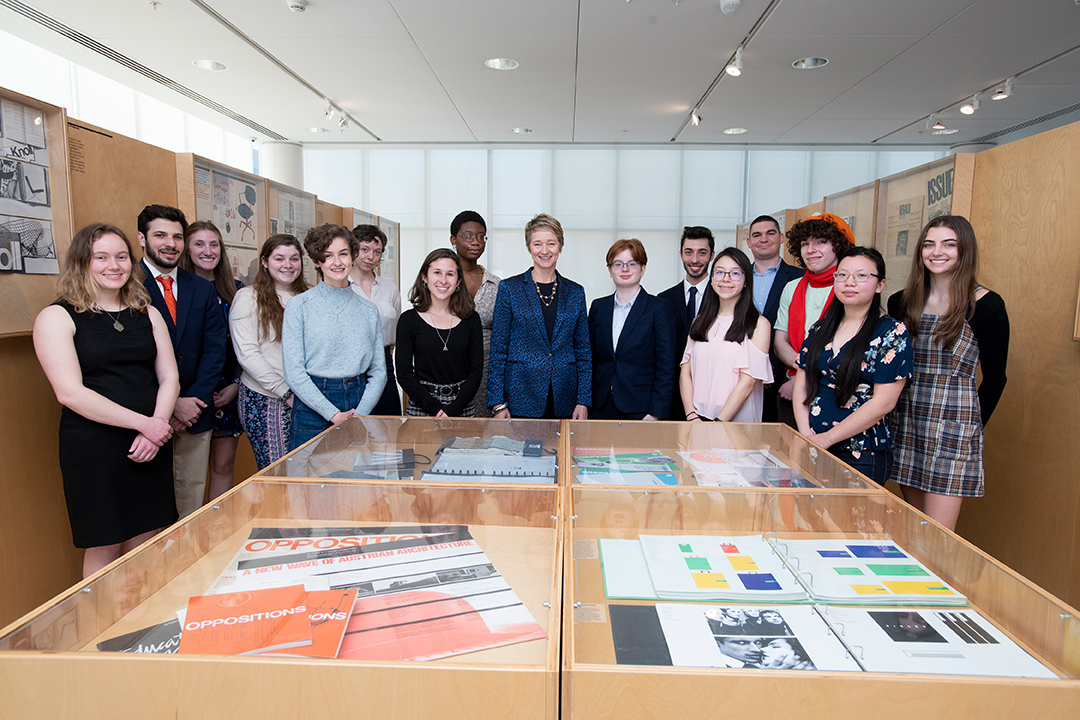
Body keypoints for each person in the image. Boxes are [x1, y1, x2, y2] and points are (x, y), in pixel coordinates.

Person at [33, 223, 179, 577]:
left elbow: (169, 378)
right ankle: (103, 630)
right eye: (101, 257)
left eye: (121, 256)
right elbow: (70, 393)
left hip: (149, 445)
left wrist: (154, 431)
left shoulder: (147, 313)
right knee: (105, 541)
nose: (114, 265)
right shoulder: (57, 316)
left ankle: (144, 626)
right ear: (83, 262)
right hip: (95, 447)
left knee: (149, 536)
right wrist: (145, 425)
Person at [887, 215, 1009, 531]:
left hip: (953, 431)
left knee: (938, 536)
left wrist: (971, 430)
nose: (937, 252)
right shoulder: (901, 301)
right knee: (915, 528)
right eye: (929, 244)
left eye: (948, 244)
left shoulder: (987, 305)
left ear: (964, 250)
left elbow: (996, 378)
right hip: (907, 422)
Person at [793, 246, 912, 485]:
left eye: (861, 276)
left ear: (880, 285)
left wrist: (828, 438)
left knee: (849, 523)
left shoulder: (892, 332)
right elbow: (802, 385)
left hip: (861, 452)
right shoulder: (821, 327)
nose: (850, 282)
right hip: (813, 445)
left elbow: (884, 402)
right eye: (842, 275)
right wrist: (807, 435)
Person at [137, 204, 227, 518]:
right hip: (143, 418)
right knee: (146, 509)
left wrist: (192, 401)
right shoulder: (126, 285)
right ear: (142, 239)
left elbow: (215, 352)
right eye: (160, 235)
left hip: (194, 414)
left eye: (177, 236)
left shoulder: (201, 289)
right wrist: (170, 403)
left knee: (190, 505)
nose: (170, 243)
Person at [283, 224, 386, 449]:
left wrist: (359, 414)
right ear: (318, 261)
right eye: (328, 256)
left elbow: (379, 371)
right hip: (313, 402)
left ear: (353, 256)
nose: (337, 262)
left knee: (357, 477)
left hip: (359, 400)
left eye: (343, 254)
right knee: (305, 478)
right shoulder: (299, 306)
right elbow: (293, 372)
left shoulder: (368, 310)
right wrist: (333, 414)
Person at [487, 213, 590, 419]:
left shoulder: (575, 292)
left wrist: (583, 400)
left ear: (560, 246)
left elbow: (583, 351)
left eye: (551, 243)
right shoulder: (509, 289)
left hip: (565, 398)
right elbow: (498, 350)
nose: (545, 251)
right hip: (519, 396)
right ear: (529, 247)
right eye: (537, 244)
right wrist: (497, 403)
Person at [230, 234, 310, 469]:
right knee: (278, 472)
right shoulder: (248, 297)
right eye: (279, 258)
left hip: (307, 397)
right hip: (267, 398)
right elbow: (248, 354)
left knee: (307, 471)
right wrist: (285, 393)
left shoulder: (311, 296)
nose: (288, 265)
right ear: (265, 262)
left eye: (294, 258)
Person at [179, 221, 242, 500]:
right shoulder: (176, 291)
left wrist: (237, 385)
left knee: (222, 465)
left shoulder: (238, 291)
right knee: (186, 474)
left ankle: (218, 528)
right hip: (189, 395)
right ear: (187, 249)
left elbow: (247, 346)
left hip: (228, 390)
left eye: (214, 244)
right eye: (199, 244)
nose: (208, 251)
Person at [773, 213, 854, 426]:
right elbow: (780, 340)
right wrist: (800, 374)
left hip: (837, 391)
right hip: (791, 386)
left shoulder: (850, 288)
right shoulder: (792, 288)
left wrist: (804, 379)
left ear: (838, 245)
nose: (811, 250)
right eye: (805, 243)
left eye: (821, 242)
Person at [681, 248, 773, 422]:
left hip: (735, 423)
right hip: (697, 419)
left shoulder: (758, 325)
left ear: (746, 280)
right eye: (719, 272)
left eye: (735, 273)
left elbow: (748, 383)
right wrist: (692, 416)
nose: (726, 279)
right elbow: (686, 372)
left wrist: (718, 423)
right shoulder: (699, 321)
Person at [588, 238, 676, 420]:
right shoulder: (599, 307)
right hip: (600, 405)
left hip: (641, 408)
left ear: (642, 269)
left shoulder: (659, 308)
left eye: (632, 263)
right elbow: (591, 360)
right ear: (610, 270)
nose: (625, 269)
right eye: (618, 264)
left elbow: (666, 366)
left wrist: (656, 412)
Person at [396, 249, 484, 416]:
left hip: (462, 404)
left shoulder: (471, 319)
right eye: (437, 272)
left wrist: (454, 408)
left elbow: (476, 371)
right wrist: (435, 408)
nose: (443, 281)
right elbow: (404, 373)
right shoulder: (408, 320)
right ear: (424, 277)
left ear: (458, 281)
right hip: (422, 403)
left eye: (450, 274)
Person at [747, 215, 803, 422]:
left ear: (781, 238)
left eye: (770, 233)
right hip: (742, 375)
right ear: (749, 242)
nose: (763, 239)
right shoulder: (736, 277)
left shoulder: (800, 278)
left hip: (784, 378)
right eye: (757, 235)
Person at [659, 226, 715, 420]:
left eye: (702, 253)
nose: (694, 260)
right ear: (681, 254)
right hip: (673, 396)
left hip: (713, 394)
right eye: (689, 252)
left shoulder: (723, 297)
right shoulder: (663, 300)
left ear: (712, 255)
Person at [449, 211, 501, 417]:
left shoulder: (496, 285)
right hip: (449, 373)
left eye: (481, 237)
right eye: (468, 236)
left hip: (486, 377)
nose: (476, 242)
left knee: (483, 440)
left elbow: (503, 338)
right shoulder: (441, 281)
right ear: (453, 239)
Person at [349, 224, 402, 416]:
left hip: (384, 360)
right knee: (355, 426)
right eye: (364, 250)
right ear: (353, 249)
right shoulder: (341, 286)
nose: (370, 257)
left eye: (377, 252)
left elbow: (395, 329)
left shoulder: (390, 288)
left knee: (389, 424)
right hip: (350, 364)